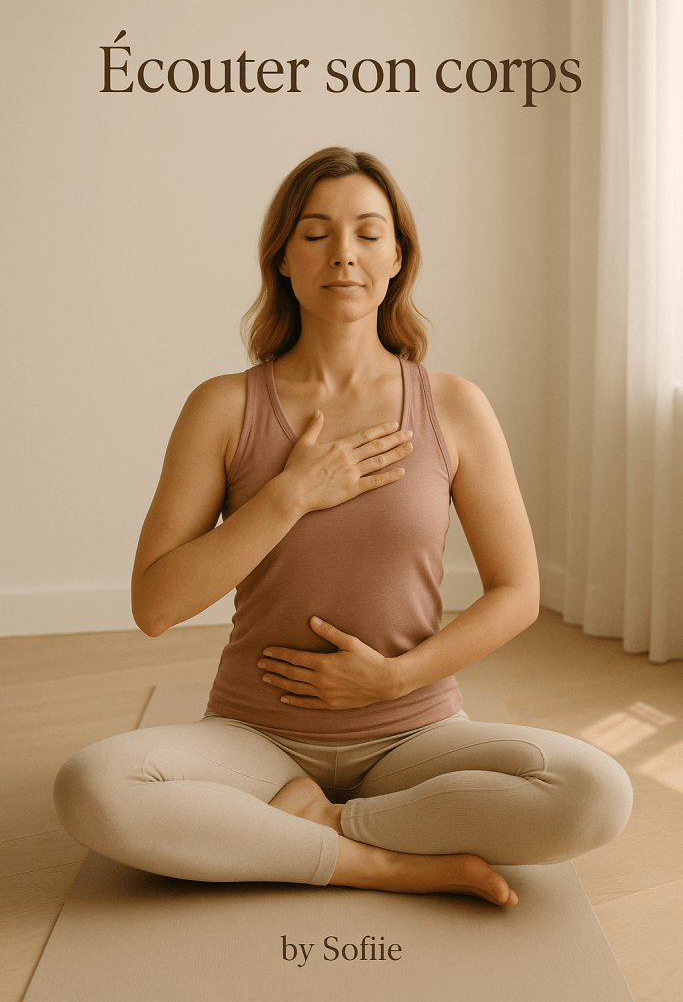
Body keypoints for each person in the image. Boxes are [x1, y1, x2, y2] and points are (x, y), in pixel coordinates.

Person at [54, 147, 633, 908]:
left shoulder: (453, 405)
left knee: (594, 792)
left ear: (398, 256)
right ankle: (384, 861)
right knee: (91, 788)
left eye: (367, 232)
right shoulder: (222, 406)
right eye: (316, 233)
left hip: (414, 732)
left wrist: (394, 677)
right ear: (282, 258)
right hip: (256, 734)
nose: (344, 255)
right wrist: (289, 495)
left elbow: (516, 592)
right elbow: (155, 606)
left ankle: (321, 826)